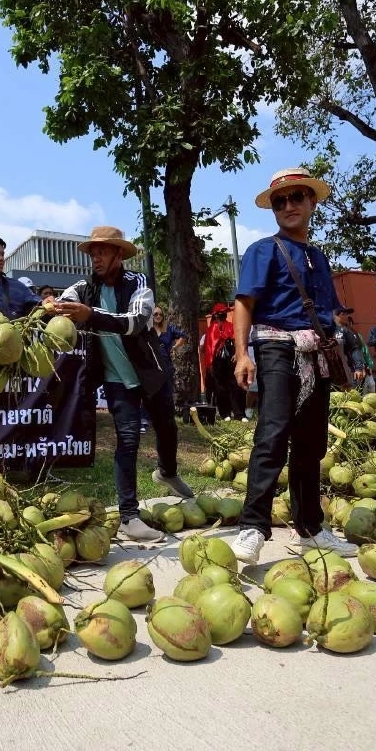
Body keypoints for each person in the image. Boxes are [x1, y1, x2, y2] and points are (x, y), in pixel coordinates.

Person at [228, 168, 356, 564]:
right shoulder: (263, 250)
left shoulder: (318, 257)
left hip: (316, 354)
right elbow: (243, 303)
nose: (288, 206)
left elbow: (330, 313)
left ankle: (311, 528)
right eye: (280, 201)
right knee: (272, 432)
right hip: (275, 347)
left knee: (311, 443)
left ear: (312, 202)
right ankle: (253, 526)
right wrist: (242, 354)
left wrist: (344, 352)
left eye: (296, 197)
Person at [53, 226, 194, 542]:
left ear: (119, 254)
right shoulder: (83, 288)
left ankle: (167, 472)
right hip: (116, 379)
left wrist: (90, 314)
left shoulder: (138, 283)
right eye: (93, 253)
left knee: (166, 427)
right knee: (127, 440)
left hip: (149, 373)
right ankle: (129, 516)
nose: (96, 258)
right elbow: (64, 303)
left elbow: (135, 322)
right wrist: (53, 305)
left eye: (102, 252)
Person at [202, 303, 244, 420]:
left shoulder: (230, 326)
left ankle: (239, 413)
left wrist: (237, 353)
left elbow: (236, 339)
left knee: (235, 385)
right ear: (216, 315)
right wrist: (210, 364)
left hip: (231, 359)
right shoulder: (212, 329)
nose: (223, 315)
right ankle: (225, 413)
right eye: (221, 313)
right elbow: (210, 348)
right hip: (217, 362)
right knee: (221, 388)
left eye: (224, 313)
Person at [152, 305, 187, 409]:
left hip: (166, 364)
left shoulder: (169, 328)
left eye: (161, 314)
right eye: (155, 314)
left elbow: (183, 336)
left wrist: (174, 347)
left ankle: (167, 414)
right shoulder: (148, 329)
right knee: (153, 392)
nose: (158, 316)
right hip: (152, 364)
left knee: (167, 392)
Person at [334, 308, 366, 387]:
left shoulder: (348, 331)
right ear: (335, 316)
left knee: (351, 392)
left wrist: (359, 368)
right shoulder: (328, 330)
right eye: (343, 314)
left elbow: (355, 349)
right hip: (331, 371)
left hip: (347, 370)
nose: (347, 316)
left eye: (347, 314)